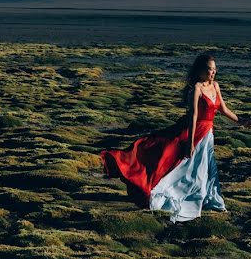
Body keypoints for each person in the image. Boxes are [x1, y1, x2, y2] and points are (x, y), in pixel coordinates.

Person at [100, 53, 242, 222]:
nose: (213, 73)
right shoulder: (196, 89)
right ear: (200, 71)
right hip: (195, 133)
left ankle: (210, 199)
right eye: (209, 69)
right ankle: (178, 196)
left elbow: (224, 110)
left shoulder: (216, 86)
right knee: (191, 168)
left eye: (214, 70)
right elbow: (193, 116)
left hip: (208, 133)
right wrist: (189, 143)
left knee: (206, 169)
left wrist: (243, 122)